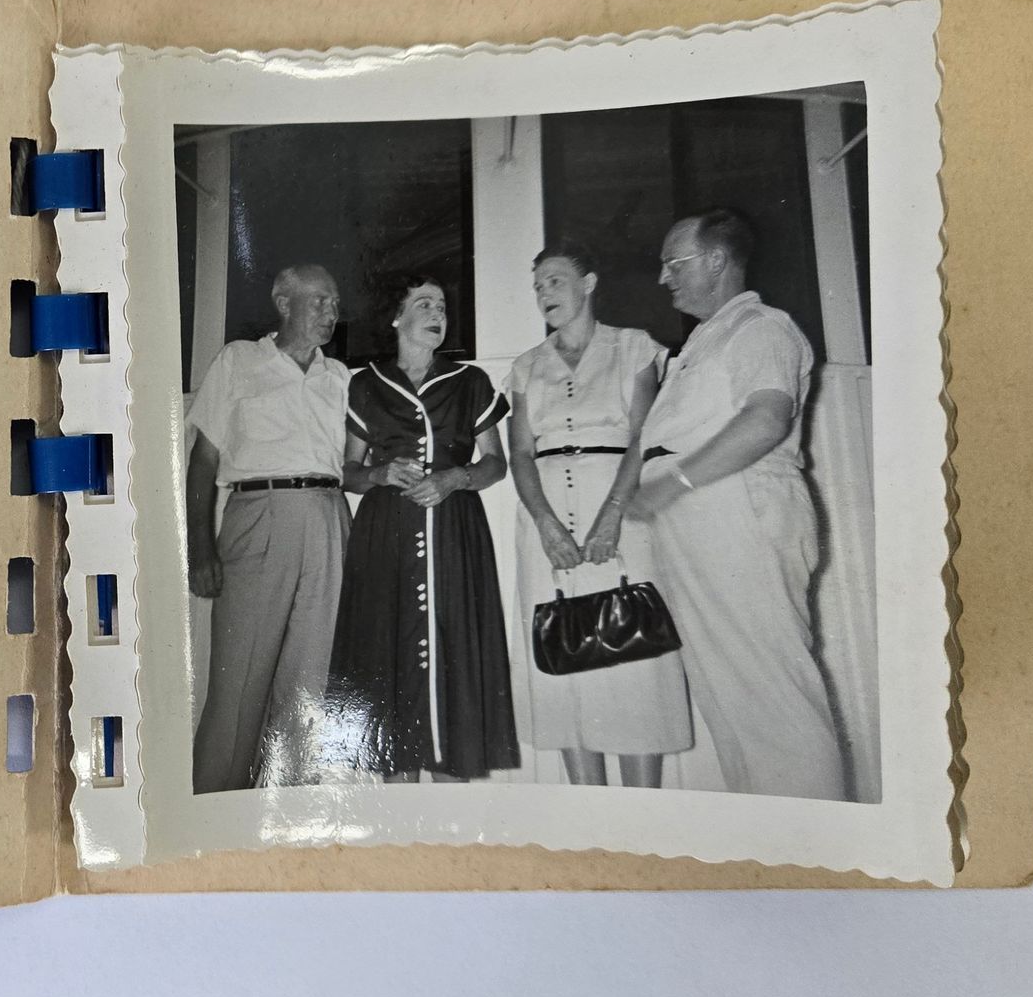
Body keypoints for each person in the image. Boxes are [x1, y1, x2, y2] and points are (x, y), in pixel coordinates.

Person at [630, 209, 849, 800]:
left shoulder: (761, 328)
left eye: (673, 263)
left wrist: (673, 483)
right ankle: (770, 838)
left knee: (774, 699)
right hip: (698, 521)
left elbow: (766, 420)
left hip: (738, 510)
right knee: (732, 707)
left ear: (716, 261)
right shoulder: (705, 340)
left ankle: (817, 839)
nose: (663, 277)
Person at [506, 241, 694, 786]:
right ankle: (588, 811)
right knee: (562, 654)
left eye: (554, 281)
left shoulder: (633, 348)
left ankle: (641, 817)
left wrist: (613, 514)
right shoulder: (526, 366)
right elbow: (520, 453)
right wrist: (544, 523)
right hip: (545, 520)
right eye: (537, 286)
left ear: (588, 284)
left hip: (619, 507)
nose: (544, 293)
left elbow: (644, 437)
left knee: (634, 661)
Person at [323, 276, 518, 781]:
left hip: (454, 533)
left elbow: (496, 464)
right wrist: (380, 474)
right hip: (385, 537)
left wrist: (457, 478)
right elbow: (347, 472)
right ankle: (401, 804)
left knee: (453, 657)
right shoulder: (366, 385)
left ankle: (450, 803)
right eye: (424, 305)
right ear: (396, 318)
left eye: (443, 307)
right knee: (388, 659)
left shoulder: (470, 381)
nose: (438, 314)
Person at [184, 265, 353, 793]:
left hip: (329, 519)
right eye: (320, 300)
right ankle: (212, 810)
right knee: (238, 686)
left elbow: (358, 464)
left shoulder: (341, 377)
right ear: (284, 302)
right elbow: (203, 463)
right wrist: (200, 549)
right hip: (257, 517)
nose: (331, 312)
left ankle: (291, 814)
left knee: (312, 685)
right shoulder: (238, 361)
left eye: (335, 303)